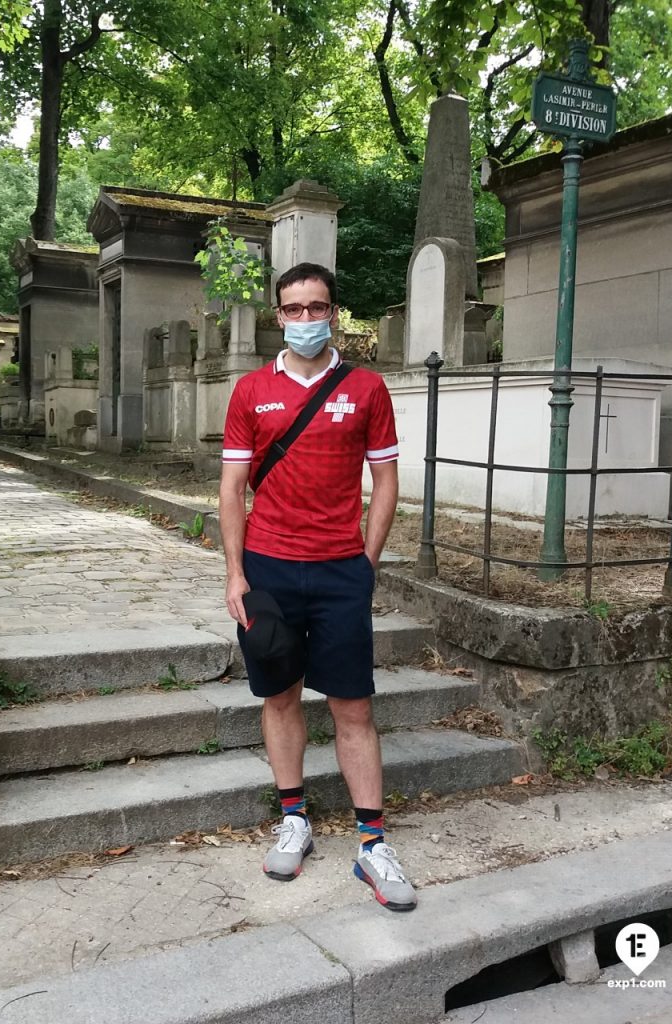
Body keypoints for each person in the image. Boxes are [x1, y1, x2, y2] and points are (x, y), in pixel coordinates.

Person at [218, 261, 416, 912]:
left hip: (339, 572)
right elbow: (232, 488)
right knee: (280, 698)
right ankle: (295, 819)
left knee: (353, 707)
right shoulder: (251, 391)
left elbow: (385, 480)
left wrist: (367, 560)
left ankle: (372, 843)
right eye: (294, 309)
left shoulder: (365, 389)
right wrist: (235, 572)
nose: (306, 319)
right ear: (278, 315)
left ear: (335, 313)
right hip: (270, 570)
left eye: (317, 308)